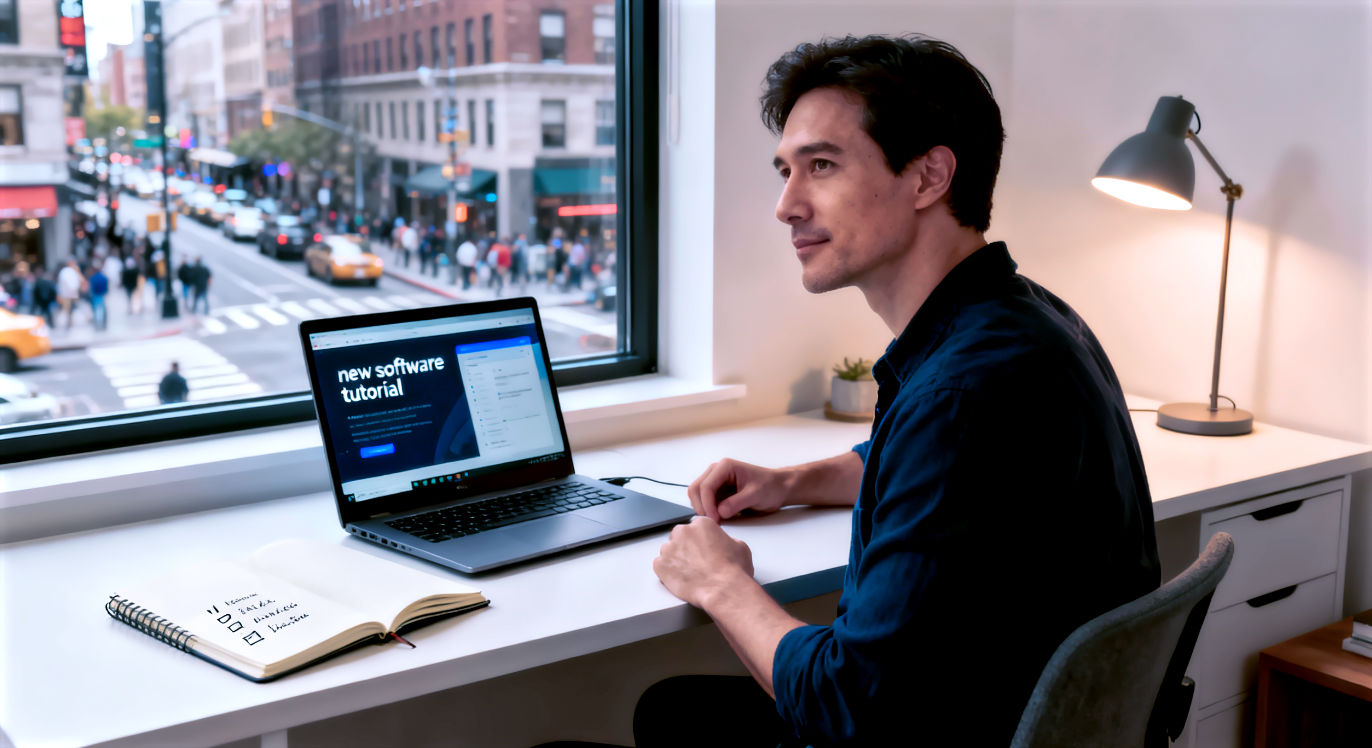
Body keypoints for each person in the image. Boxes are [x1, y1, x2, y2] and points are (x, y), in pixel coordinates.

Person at [594, 35, 1159, 748]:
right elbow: (934, 468)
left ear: (928, 178)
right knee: (673, 709)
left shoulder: (961, 396)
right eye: (785, 171)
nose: (786, 206)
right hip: (1008, 711)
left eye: (821, 166)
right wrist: (791, 480)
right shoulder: (1029, 320)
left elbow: (851, 709)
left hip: (922, 728)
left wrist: (720, 583)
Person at [55, 259, 84, 330]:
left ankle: (70, 322)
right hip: (69, 294)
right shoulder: (67, 272)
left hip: (68, 294)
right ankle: (69, 322)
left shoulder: (69, 271)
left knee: (69, 310)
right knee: (68, 310)